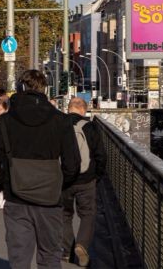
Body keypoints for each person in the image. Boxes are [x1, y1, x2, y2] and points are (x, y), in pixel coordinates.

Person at [0, 70, 80, 269]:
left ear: (21, 88)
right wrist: (59, 185)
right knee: (50, 257)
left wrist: (5, 184)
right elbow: (73, 165)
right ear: (44, 89)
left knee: (19, 259)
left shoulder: (6, 121)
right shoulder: (61, 121)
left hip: (17, 199)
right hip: (50, 200)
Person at [62, 97, 106, 267]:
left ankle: (67, 251)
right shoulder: (90, 127)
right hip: (86, 179)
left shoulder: (59, 125)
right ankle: (81, 245)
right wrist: (97, 176)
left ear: (68, 108)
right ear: (84, 110)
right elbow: (100, 155)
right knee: (88, 213)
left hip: (64, 180)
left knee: (64, 215)